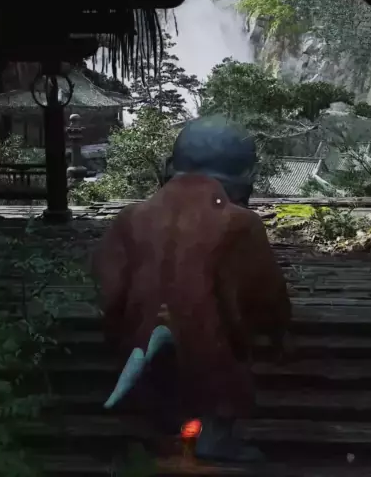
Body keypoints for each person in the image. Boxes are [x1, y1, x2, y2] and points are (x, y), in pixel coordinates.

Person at [93, 115, 292, 463]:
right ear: (246, 176)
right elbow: (266, 296)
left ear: (170, 165)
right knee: (217, 341)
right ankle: (214, 432)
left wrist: (117, 334)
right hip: (212, 359)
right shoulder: (240, 223)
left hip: (142, 352)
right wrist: (275, 334)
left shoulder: (131, 217)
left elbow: (109, 293)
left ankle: (160, 422)